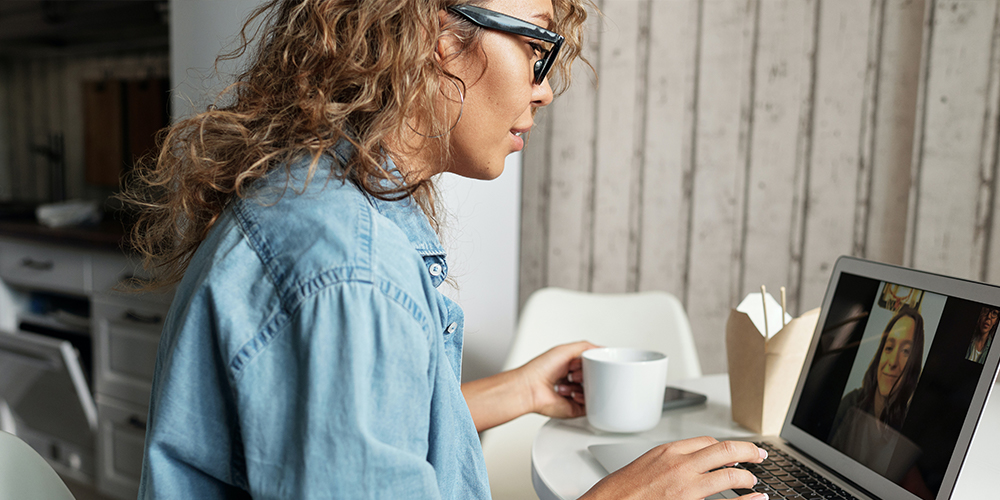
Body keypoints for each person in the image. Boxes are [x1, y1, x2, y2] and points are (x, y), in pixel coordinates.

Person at [122, 0, 767, 498]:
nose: (543, 89)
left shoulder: (319, 201)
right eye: (537, 42)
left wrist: (517, 392)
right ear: (438, 34)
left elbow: (355, 435)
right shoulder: (350, 272)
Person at [828, 306, 924, 479]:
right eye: (889, 347)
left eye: (905, 351)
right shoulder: (851, 404)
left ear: (914, 363)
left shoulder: (909, 428)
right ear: (880, 353)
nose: (893, 362)